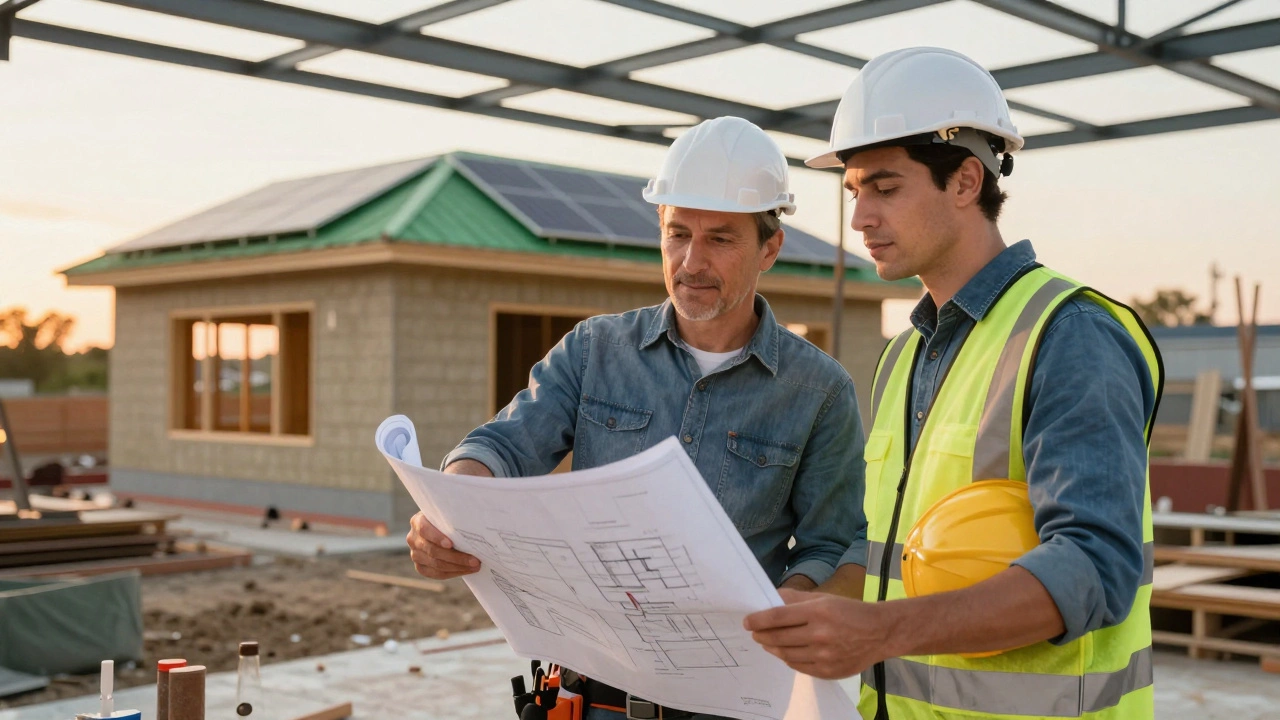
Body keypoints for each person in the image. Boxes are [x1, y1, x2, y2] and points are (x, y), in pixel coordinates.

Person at [745, 47, 1162, 720]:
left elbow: (1094, 569)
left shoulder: (1069, 335)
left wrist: (878, 632)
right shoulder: (905, 353)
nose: (860, 220)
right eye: (855, 192)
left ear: (967, 182)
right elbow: (887, 548)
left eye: (885, 188)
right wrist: (814, 606)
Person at [407, 116, 870, 719]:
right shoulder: (595, 350)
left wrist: (785, 608)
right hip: (590, 700)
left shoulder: (820, 390)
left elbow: (832, 544)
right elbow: (503, 447)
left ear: (770, 248)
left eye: (721, 239)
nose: (691, 261)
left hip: (728, 704)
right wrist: (447, 512)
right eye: (678, 234)